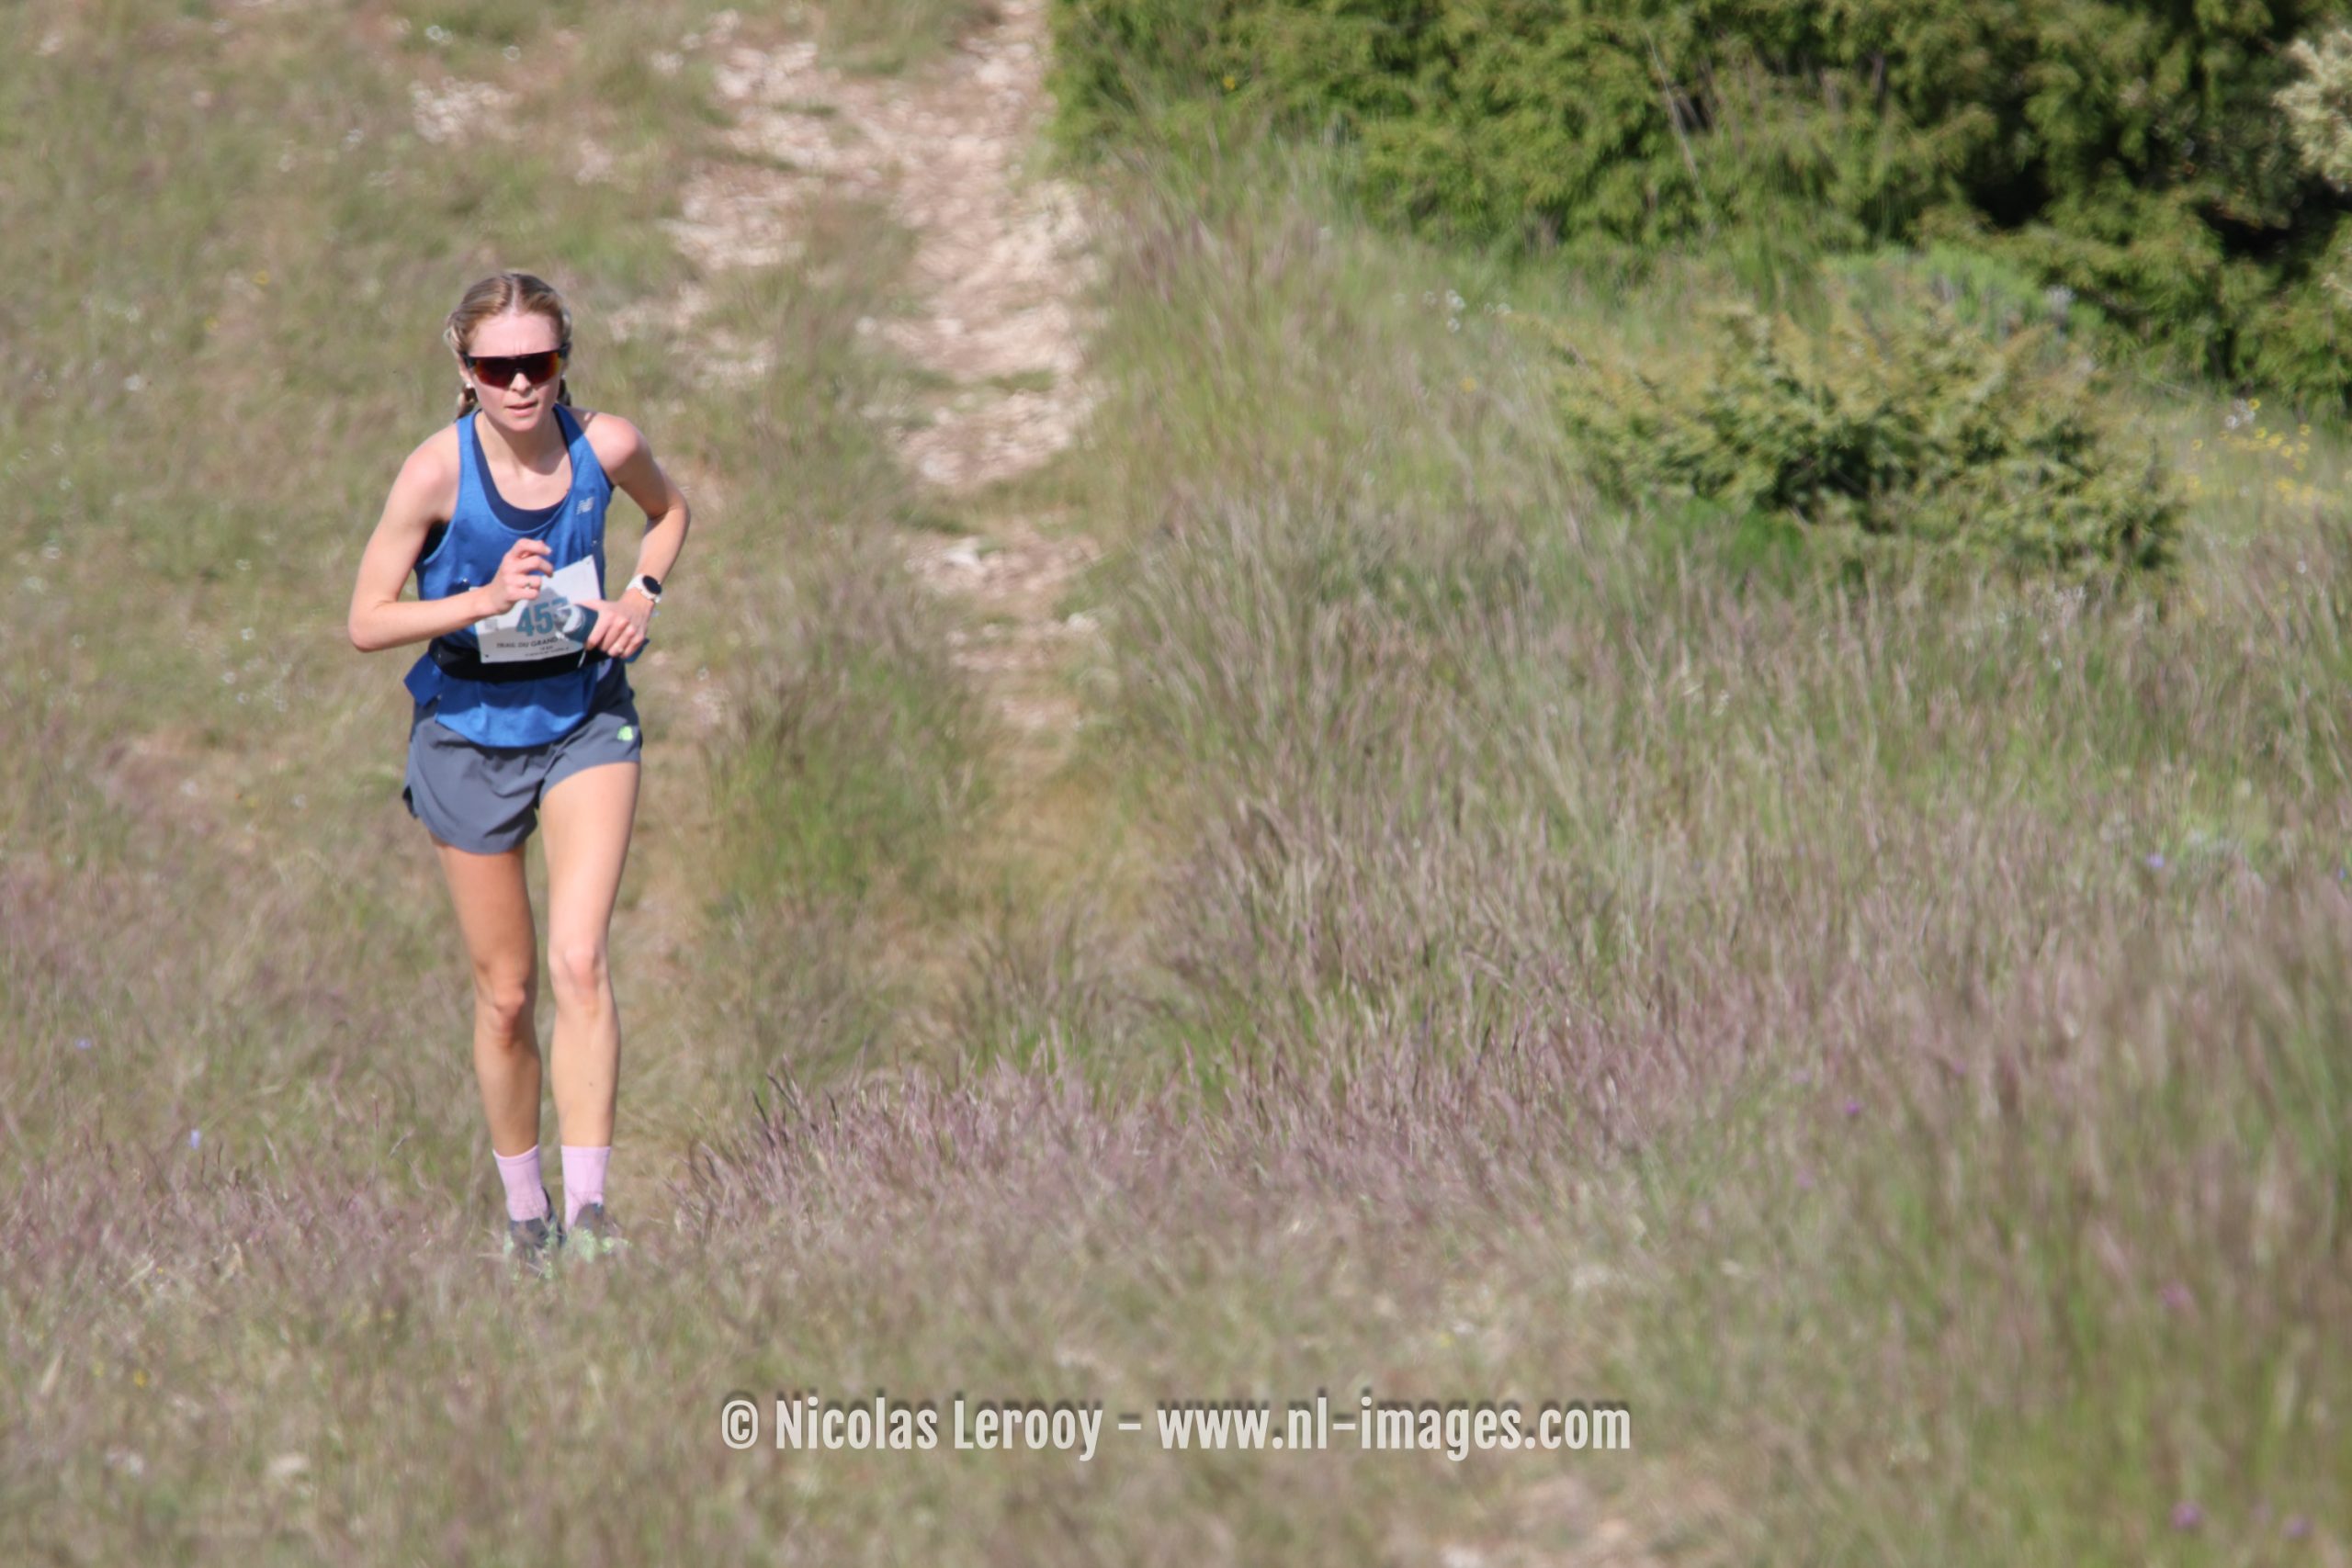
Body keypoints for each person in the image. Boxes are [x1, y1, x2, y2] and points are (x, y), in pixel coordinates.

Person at [345, 271, 691, 1272]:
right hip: (466, 732)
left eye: (538, 361)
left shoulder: (604, 446)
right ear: (465, 370)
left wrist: (642, 592)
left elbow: (669, 512)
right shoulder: (433, 474)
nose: (520, 384)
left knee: (581, 962)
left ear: (563, 360)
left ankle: (591, 1218)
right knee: (507, 994)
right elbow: (366, 620)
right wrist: (481, 599)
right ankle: (526, 1218)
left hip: (584, 718)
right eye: (497, 368)